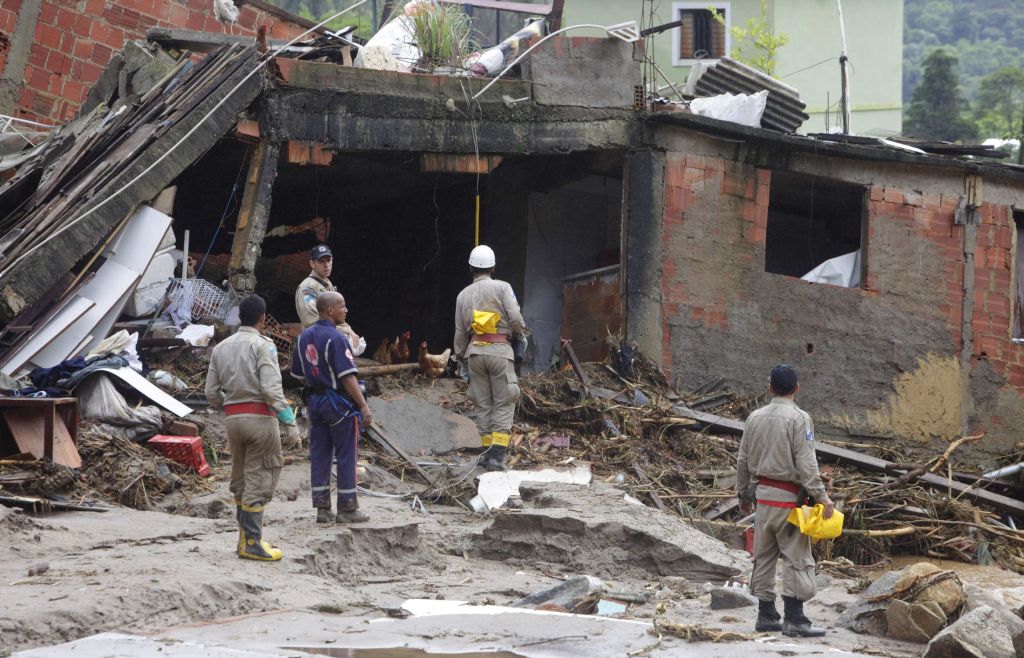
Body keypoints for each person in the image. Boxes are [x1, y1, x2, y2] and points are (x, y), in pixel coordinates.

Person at [735, 364, 835, 637]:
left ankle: (766, 616)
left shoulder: (754, 417)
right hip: (790, 501)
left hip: (763, 500)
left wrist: (743, 494)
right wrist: (822, 498)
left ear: (769, 388)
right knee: (796, 557)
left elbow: (742, 460)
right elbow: (807, 464)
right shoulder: (799, 418)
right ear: (797, 389)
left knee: (763, 557)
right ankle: (795, 619)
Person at [205, 295, 296, 561]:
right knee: (261, 478)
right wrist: (289, 420)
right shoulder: (263, 345)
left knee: (241, 480)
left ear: (238, 317)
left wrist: (230, 406)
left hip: (233, 421)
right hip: (260, 420)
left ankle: (244, 540)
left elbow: (211, 392)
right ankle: (253, 543)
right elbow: (270, 388)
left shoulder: (221, 348)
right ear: (262, 319)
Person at [291, 291, 374, 524]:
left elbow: (298, 374)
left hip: (314, 403)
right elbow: (348, 377)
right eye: (342, 306)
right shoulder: (337, 339)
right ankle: (347, 508)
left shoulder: (303, 337)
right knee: (347, 454)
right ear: (330, 311)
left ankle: (322, 509)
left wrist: (317, 383)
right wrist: (363, 406)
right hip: (337, 404)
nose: (345, 311)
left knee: (319, 454)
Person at [453, 245, 528, 471]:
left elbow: (459, 334)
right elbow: (514, 317)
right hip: (499, 351)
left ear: (470, 268)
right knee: (504, 402)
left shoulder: (462, 295)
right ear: (493, 267)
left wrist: (462, 361)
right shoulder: (503, 287)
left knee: (483, 405)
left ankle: (486, 456)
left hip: (475, 353)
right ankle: (497, 456)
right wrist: (519, 337)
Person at [295, 244, 366, 356]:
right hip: (316, 346)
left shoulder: (326, 283)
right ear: (312, 263)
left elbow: (338, 316)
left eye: (329, 260)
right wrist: (343, 332)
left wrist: (349, 331)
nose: (326, 265)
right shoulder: (308, 288)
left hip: (328, 342)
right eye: (321, 261)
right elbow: (311, 321)